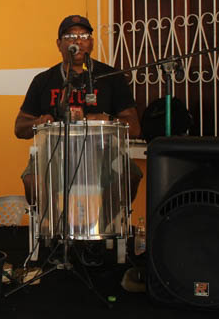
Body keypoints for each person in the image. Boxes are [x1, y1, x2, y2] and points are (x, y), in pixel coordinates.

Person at [14, 14, 141, 206]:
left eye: (84, 36)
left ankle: (108, 222)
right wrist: (39, 122)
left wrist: (104, 119)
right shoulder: (43, 80)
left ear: (91, 43)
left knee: (129, 175)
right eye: (70, 37)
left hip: (103, 149)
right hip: (56, 151)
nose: (78, 41)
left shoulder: (111, 77)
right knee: (33, 181)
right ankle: (50, 223)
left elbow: (134, 128)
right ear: (59, 44)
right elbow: (19, 127)